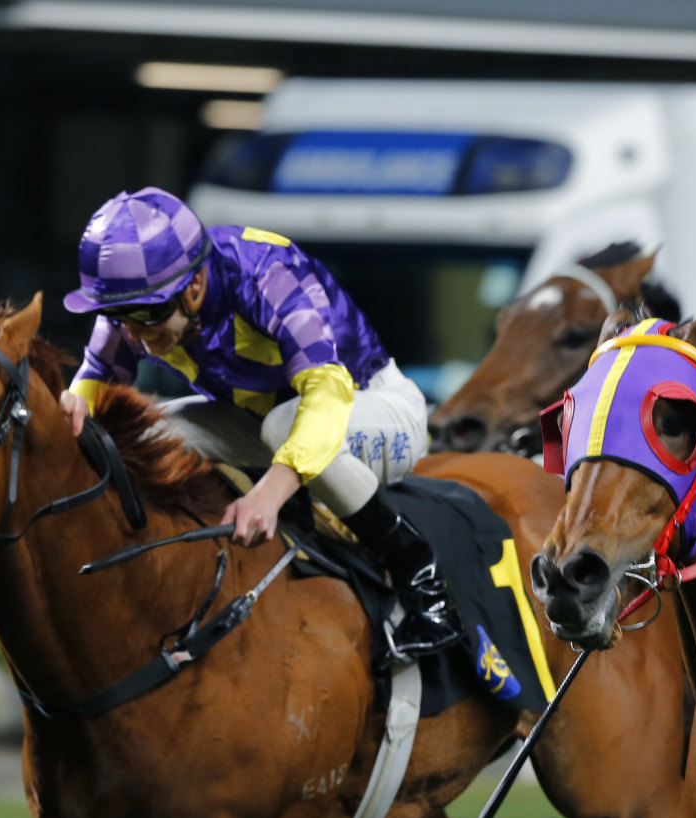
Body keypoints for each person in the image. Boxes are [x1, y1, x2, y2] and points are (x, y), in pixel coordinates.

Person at [60, 187, 460, 658]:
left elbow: (326, 393)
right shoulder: (136, 306)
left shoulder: (268, 273)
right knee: (147, 433)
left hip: (376, 410)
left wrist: (268, 495)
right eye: (114, 315)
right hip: (269, 426)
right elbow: (90, 392)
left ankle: (425, 581)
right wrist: (66, 415)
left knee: (284, 425)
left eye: (147, 315)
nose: (133, 333)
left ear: (194, 285)